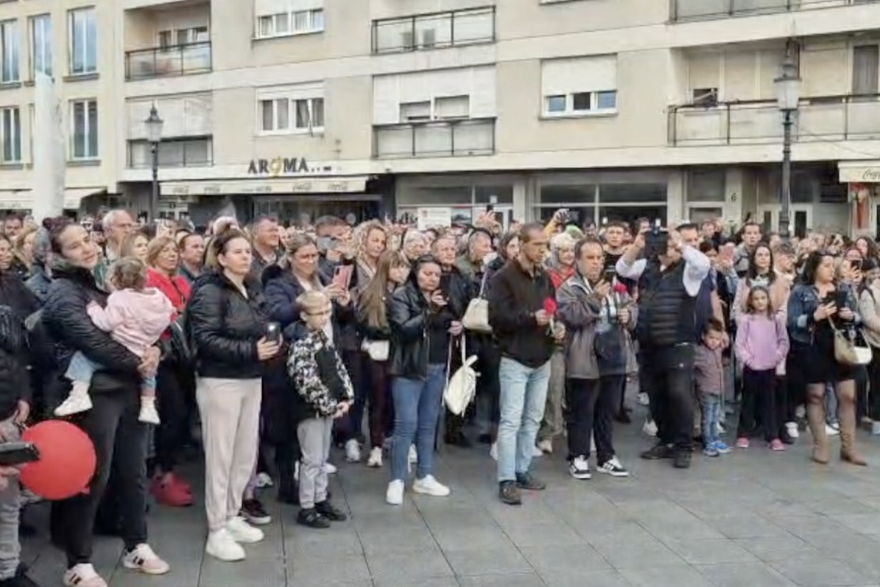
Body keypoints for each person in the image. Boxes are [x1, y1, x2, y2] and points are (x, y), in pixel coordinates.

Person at [42, 220, 167, 587]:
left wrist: (158, 349)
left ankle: (136, 543)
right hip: (95, 394)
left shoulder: (104, 280)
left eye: (87, 240)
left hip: (129, 390)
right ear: (59, 255)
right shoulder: (63, 290)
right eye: (75, 245)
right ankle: (78, 561)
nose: (87, 247)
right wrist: (140, 360)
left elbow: (156, 327)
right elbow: (90, 340)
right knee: (93, 476)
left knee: (134, 472)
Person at [187, 229, 280, 562]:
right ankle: (216, 529)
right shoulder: (209, 290)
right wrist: (249, 350)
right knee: (221, 456)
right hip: (220, 380)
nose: (245, 256)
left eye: (247, 251)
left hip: (251, 377)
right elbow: (205, 338)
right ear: (221, 257)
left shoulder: (251, 286)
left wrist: (269, 342)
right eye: (237, 251)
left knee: (244, 454)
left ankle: (232, 514)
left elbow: (261, 323)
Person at [616, 225, 710, 469]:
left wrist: (680, 244)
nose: (664, 248)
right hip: (649, 343)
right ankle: (666, 440)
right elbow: (621, 268)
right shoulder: (646, 266)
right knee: (656, 396)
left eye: (668, 244)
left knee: (679, 395)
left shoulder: (689, 270)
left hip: (678, 343)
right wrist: (637, 245)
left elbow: (703, 264)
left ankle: (683, 446)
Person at [488, 223, 564, 505]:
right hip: (514, 358)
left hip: (541, 356)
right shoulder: (502, 277)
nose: (543, 250)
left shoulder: (544, 275)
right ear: (521, 244)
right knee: (511, 420)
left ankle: (522, 469)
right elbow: (497, 318)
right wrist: (531, 318)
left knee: (532, 418)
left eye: (545, 245)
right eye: (537, 245)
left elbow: (553, 308)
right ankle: (506, 478)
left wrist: (557, 327)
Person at [53, 258, 173, 424]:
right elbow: (167, 316)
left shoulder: (120, 298)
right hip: (144, 347)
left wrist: (94, 309)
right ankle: (148, 406)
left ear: (115, 278)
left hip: (122, 345)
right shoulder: (158, 297)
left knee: (82, 360)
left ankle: (79, 394)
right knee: (149, 373)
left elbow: (106, 323)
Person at [557, 237, 636, 480]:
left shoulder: (614, 285)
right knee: (582, 410)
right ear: (578, 261)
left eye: (599, 258)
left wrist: (628, 314)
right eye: (590, 258)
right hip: (584, 357)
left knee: (606, 410)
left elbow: (632, 306)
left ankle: (606, 456)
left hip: (613, 354)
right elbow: (571, 316)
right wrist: (595, 299)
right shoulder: (568, 287)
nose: (596, 263)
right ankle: (578, 456)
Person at [386, 255, 456, 506]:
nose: (432, 278)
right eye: (427, 273)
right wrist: (430, 311)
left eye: (436, 275)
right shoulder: (401, 296)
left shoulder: (442, 296)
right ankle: (397, 479)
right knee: (406, 424)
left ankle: (424, 475)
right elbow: (404, 329)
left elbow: (445, 321)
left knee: (429, 423)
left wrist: (453, 324)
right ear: (416, 273)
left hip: (436, 366)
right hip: (409, 369)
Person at [788, 252, 864, 466]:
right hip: (814, 346)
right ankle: (820, 446)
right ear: (814, 268)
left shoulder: (844, 289)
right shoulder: (800, 292)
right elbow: (792, 321)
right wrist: (814, 316)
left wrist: (852, 316)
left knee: (848, 395)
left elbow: (858, 318)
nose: (832, 269)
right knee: (816, 395)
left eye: (833, 265)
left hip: (840, 345)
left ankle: (849, 447)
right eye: (826, 265)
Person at [289, 290, 353, 528]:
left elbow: (338, 369)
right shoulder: (301, 344)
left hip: (327, 410)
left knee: (322, 458)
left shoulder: (321, 338)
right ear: (305, 315)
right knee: (311, 459)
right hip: (310, 411)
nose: (325, 317)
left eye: (328, 312)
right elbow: (307, 383)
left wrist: (346, 396)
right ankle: (307, 506)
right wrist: (328, 405)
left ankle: (320, 499)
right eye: (319, 313)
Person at [734, 285, 789, 451]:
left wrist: (776, 357)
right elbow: (739, 344)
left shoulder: (776, 319)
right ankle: (744, 433)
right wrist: (748, 360)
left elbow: (784, 341)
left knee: (770, 401)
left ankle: (772, 435)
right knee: (748, 401)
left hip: (769, 366)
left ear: (768, 300)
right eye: (756, 298)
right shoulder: (746, 320)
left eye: (763, 298)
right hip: (752, 368)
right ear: (751, 301)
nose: (760, 302)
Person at [695, 319, 729, 457]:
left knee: (715, 417)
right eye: (711, 338)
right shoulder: (700, 352)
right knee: (707, 418)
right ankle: (707, 442)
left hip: (718, 389)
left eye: (717, 338)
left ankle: (715, 439)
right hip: (706, 390)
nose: (714, 341)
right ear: (703, 336)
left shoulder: (718, 350)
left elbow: (725, 343)